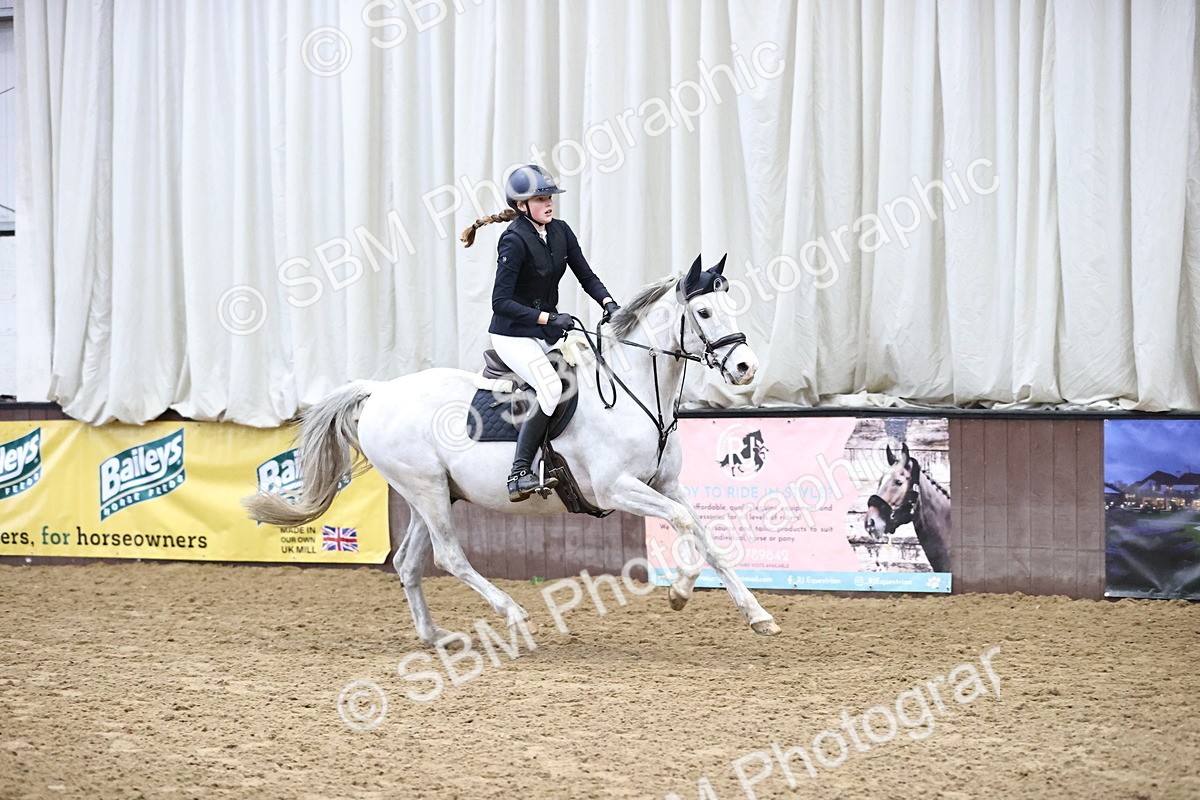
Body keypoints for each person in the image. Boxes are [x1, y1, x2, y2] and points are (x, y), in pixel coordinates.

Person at [460, 164, 620, 502]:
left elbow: (585, 275)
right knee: (550, 388)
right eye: (540, 199)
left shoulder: (560, 231)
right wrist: (548, 318)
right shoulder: (514, 240)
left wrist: (609, 303)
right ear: (521, 205)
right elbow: (500, 302)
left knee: (588, 372)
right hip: (513, 335)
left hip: (544, 331)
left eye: (550, 198)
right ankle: (519, 472)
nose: (548, 204)